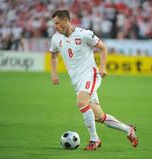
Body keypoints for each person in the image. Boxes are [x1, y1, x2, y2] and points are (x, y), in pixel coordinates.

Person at [49, 10, 138, 150]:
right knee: (99, 116)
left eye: (57, 23)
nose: (55, 26)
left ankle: (94, 140)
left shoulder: (84, 34)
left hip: (90, 75)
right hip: (77, 81)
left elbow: (103, 47)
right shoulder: (56, 38)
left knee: (81, 102)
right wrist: (54, 74)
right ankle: (128, 130)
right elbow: (53, 55)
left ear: (67, 21)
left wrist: (102, 68)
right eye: (54, 24)